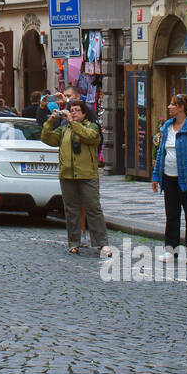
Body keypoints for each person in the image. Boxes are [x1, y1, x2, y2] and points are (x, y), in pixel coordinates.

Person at [42, 100, 110, 257]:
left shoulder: (91, 126)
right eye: (71, 110)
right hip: (67, 175)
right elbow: (48, 139)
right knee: (71, 210)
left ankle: (102, 243)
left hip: (87, 175)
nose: (73, 113)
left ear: (84, 113)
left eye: (77, 110)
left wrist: (73, 122)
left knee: (93, 209)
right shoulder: (64, 129)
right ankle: (74, 243)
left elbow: (91, 137)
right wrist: (50, 122)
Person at [150, 93, 187, 263]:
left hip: (186, 178)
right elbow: (161, 152)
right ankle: (170, 249)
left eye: (173, 104)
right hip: (169, 177)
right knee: (171, 214)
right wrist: (156, 175)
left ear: (181, 108)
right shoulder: (167, 126)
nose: (169, 107)